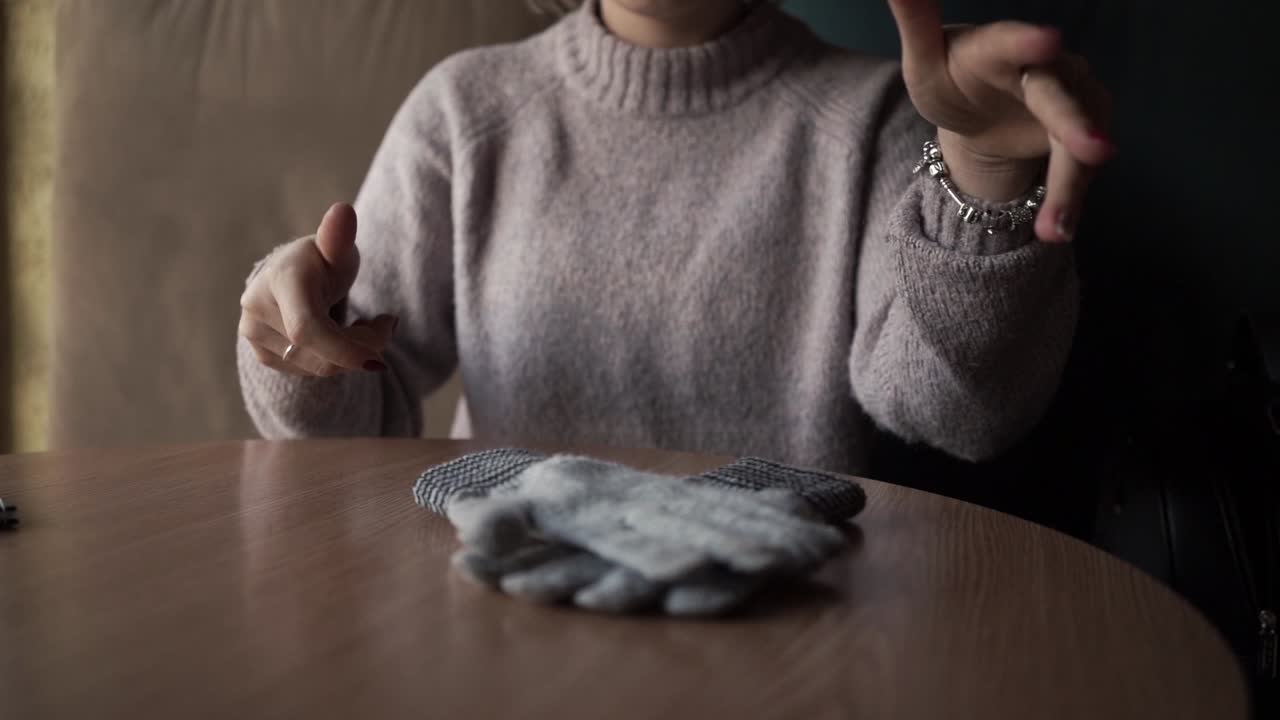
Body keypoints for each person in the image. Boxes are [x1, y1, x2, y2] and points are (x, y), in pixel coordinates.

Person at [236, 0, 1111, 474]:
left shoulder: (875, 119)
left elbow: (959, 416)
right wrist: (295, 338)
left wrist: (982, 174)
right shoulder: (466, 111)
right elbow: (348, 425)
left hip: (788, 633)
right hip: (506, 612)